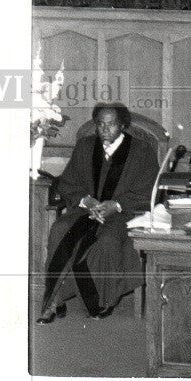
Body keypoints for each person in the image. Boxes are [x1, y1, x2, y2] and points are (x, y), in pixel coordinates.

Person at [37, 104, 159, 323]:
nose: (105, 129)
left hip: (123, 214)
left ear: (123, 125)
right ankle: (56, 299)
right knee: (60, 229)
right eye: (100, 124)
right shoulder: (85, 147)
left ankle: (102, 300)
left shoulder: (142, 150)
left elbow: (149, 189)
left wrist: (117, 204)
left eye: (111, 124)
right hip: (86, 212)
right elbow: (67, 182)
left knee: (108, 241)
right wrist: (87, 200)